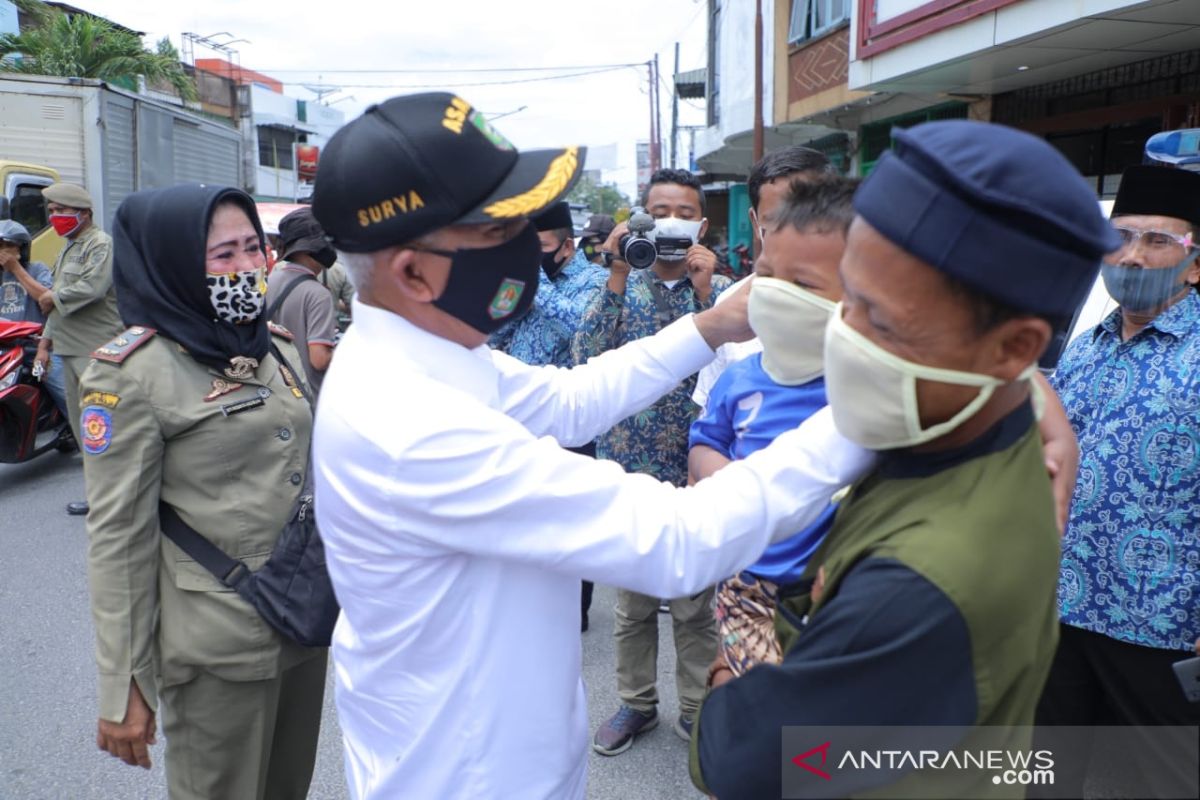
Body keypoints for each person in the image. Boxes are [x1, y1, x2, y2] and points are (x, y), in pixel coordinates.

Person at [308, 91, 875, 800]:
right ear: (415, 272)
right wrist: (866, 410)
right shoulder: (409, 424)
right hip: (469, 777)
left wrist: (710, 327)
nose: (530, 242)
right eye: (500, 228)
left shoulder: (429, 350)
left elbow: (567, 401)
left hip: (499, 750)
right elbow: (677, 537)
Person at [689, 120, 1116, 800]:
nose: (846, 337)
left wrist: (728, 683)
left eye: (881, 322)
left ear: (1012, 348)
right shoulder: (955, 420)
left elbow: (748, 762)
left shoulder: (920, 583)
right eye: (846, 300)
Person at [78, 184, 326, 799]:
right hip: (217, 646)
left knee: (287, 789)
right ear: (175, 264)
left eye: (253, 248)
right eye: (223, 255)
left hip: (300, 619)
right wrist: (124, 685)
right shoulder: (131, 374)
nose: (246, 268)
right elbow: (118, 540)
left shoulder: (274, 348)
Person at [1035, 164, 1200, 798]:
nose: (1132, 255)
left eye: (1157, 242)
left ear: (1194, 265)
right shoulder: (1085, 345)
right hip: (1060, 607)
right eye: (1121, 236)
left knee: (1166, 783)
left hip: (1162, 624)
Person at [573, 168, 731, 754]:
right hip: (628, 472)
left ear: (701, 222)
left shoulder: (723, 289)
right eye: (659, 209)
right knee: (633, 604)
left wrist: (708, 292)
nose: (671, 220)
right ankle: (636, 703)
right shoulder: (616, 283)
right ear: (640, 217)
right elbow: (583, 357)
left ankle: (696, 708)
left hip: (699, 468)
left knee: (694, 603)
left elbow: (742, 362)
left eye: (682, 210)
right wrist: (615, 268)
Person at [689, 175, 857, 676]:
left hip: (828, 585)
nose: (776, 295)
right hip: (746, 578)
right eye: (766, 276)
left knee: (815, 720)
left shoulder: (867, 387)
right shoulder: (740, 375)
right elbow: (703, 443)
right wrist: (734, 484)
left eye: (802, 284)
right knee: (755, 705)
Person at [489, 200, 607, 630]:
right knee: (520, 513)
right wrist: (512, 291)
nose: (531, 256)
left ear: (567, 246)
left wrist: (538, 286)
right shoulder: (518, 280)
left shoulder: (593, 281)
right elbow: (492, 331)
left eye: (538, 247)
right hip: (517, 418)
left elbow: (584, 329)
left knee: (572, 516)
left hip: (569, 417)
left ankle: (573, 608)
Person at [693, 145, 835, 411]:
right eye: (777, 221)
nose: (795, 233)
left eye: (809, 216)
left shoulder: (867, 302)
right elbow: (709, 417)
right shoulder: (731, 304)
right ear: (756, 222)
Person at [32, 183, 124, 516]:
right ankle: (98, 495)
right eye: (51, 211)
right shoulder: (68, 248)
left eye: (60, 211)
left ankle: (117, 496)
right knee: (84, 426)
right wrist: (45, 344)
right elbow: (53, 308)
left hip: (96, 351)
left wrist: (51, 296)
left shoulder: (100, 245)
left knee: (103, 422)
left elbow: (94, 287)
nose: (54, 217)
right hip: (69, 350)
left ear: (82, 214)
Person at [0, 219, 68, 417]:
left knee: (67, 394)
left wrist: (15, 269)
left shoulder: (37, 270)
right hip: (6, 351)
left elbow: (46, 299)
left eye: (9, 245)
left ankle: (88, 438)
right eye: (0, 246)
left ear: (21, 248)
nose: (3, 251)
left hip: (37, 348)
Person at [267, 208, 338, 394]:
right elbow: (319, 359)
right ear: (310, 249)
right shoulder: (318, 294)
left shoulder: (268, 281)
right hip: (308, 395)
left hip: (277, 392)